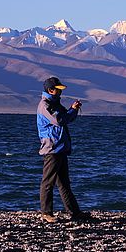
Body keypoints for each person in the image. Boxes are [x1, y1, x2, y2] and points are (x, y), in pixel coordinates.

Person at [36, 76, 91, 222]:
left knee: (64, 183)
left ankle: (74, 212)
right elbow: (59, 120)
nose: (60, 93)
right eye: (58, 90)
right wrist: (72, 110)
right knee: (48, 182)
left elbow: (66, 118)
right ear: (50, 90)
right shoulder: (46, 105)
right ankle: (46, 213)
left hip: (60, 148)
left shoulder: (54, 104)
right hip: (52, 149)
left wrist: (73, 110)